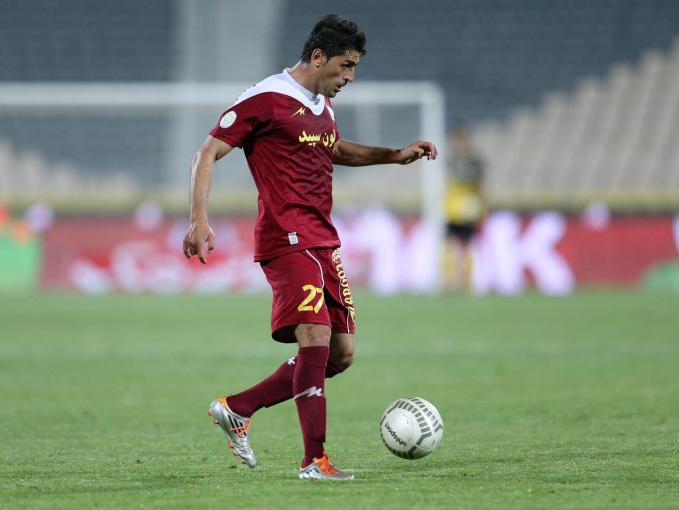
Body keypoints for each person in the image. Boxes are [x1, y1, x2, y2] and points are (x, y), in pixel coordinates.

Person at [182, 13, 438, 480]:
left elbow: (333, 149)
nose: (350, 76)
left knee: (341, 353)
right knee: (314, 337)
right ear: (319, 57)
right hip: (286, 238)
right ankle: (314, 461)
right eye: (346, 65)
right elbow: (207, 152)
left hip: (323, 240)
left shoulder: (322, 105)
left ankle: (238, 407)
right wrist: (199, 220)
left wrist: (394, 155)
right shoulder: (266, 98)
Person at [443, 125, 486, 292]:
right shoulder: (452, 160)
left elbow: (480, 185)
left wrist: (481, 206)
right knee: (454, 247)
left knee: (468, 247)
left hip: (469, 211)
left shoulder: (474, 162)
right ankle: (453, 280)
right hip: (453, 211)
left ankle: (466, 281)